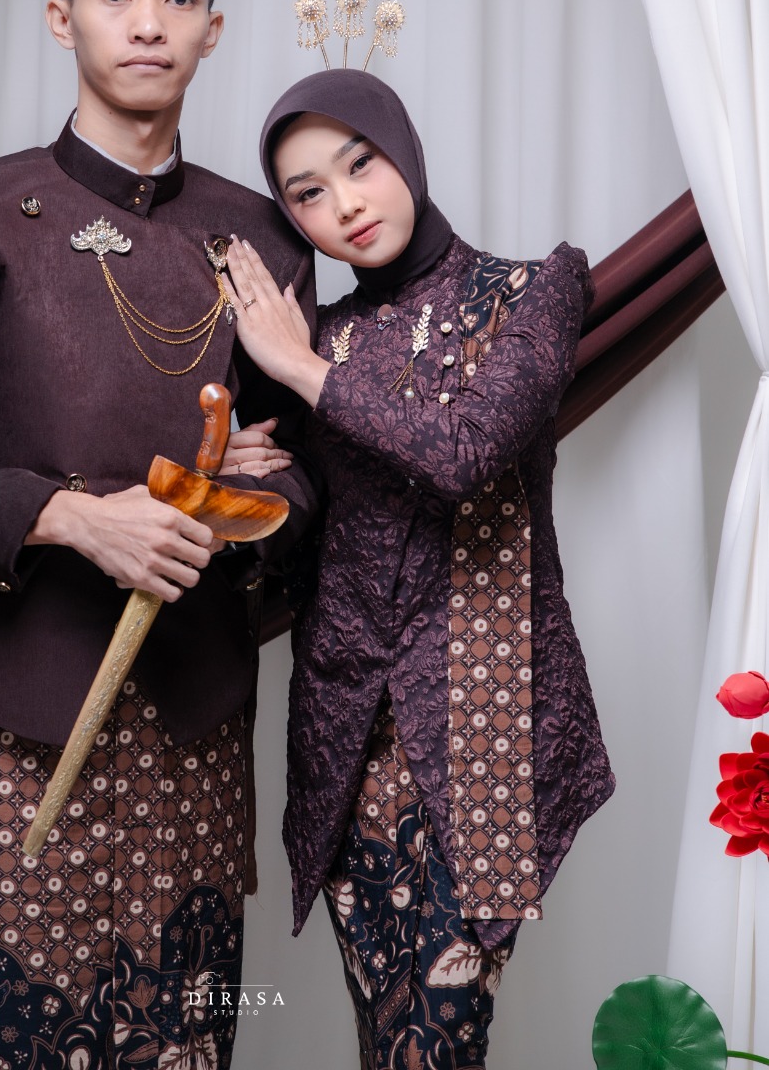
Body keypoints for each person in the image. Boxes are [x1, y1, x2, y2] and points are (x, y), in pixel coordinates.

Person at [0, 0, 318, 1070]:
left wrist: (242, 506)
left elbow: (308, 477)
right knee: (3, 1040)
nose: (147, 22)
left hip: (195, 720)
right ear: (63, 17)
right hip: (12, 713)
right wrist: (73, 517)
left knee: (181, 1042)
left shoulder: (261, 235)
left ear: (213, 28)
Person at [220, 67, 614, 1070]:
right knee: (384, 1038)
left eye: (360, 163)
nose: (346, 203)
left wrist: (297, 366)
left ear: (404, 147)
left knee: (439, 1040)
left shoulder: (532, 291)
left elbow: (464, 453)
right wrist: (245, 478)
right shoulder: (326, 334)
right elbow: (304, 535)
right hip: (347, 730)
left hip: (484, 718)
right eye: (309, 193)